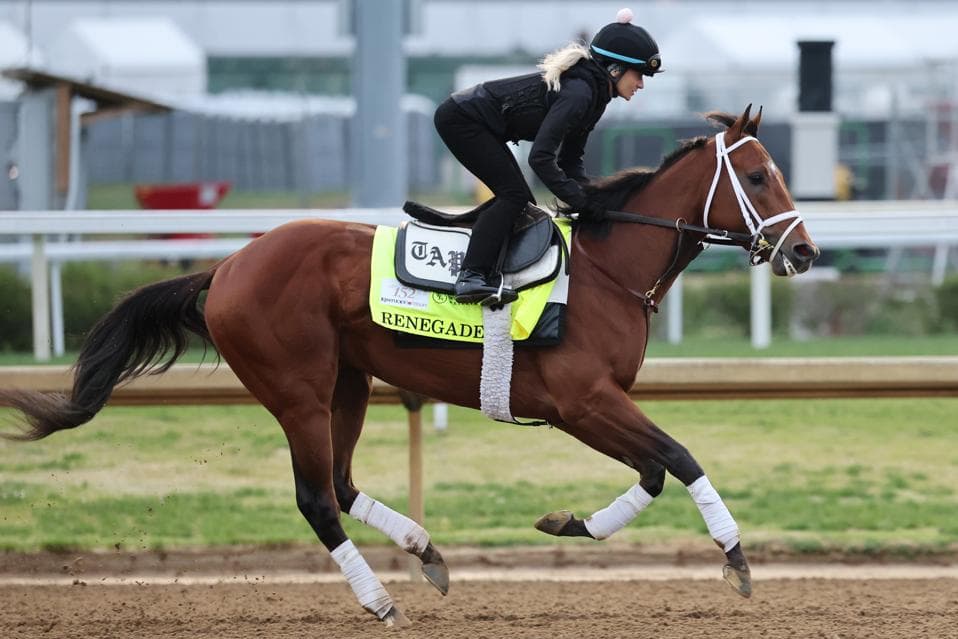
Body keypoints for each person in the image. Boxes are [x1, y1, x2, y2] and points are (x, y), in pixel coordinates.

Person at [434, 7, 663, 305]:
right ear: (615, 69)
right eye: (639, 74)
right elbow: (540, 158)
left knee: (518, 199)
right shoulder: (579, 94)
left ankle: (487, 271)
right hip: (461, 119)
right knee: (515, 197)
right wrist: (582, 202)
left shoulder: (595, 97)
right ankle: (471, 277)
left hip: (476, 121)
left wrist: (596, 197)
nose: (642, 84)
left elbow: (570, 162)